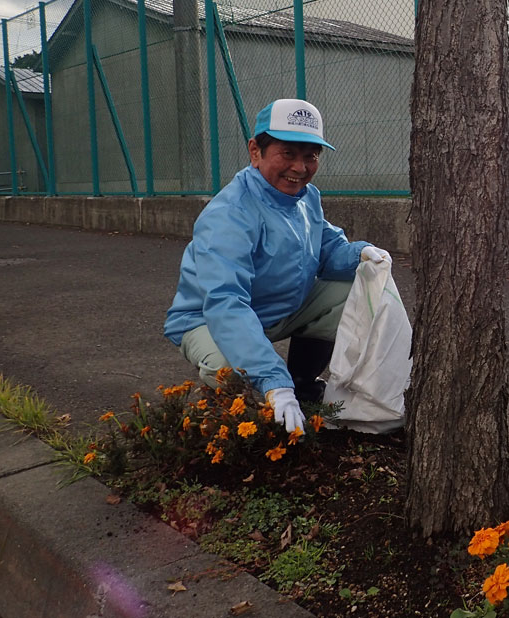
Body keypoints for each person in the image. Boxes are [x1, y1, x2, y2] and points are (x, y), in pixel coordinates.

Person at [164, 98, 392, 436]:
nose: (300, 168)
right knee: (230, 369)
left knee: (355, 292)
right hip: (208, 318)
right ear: (255, 151)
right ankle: (233, 420)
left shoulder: (306, 198)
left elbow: (328, 249)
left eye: (311, 156)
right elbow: (226, 303)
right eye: (288, 154)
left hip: (277, 309)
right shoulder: (229, 214)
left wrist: (360, 255)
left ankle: (302, 386)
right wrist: (273, 379)